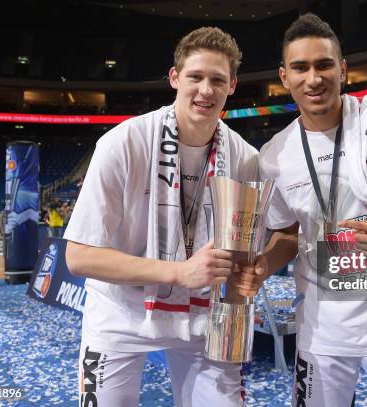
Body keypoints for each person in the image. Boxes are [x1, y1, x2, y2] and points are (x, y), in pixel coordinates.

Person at [238, 14, 367, 406]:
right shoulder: (274, 156)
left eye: (323, 64)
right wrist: (263, 265)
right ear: (284, 77)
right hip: (322, 332)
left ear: (343, 69)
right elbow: (285, 232)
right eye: (300, 68)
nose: (313, 78)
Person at [64, 27, 258, 406]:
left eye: (218, 79)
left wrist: (247, 279)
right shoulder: (123, 143)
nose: (206, 90)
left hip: (205, 318)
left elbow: (241, 256)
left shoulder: (245, 158)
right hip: (121, 315)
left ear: (232, 85)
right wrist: (177, 272)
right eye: (195, 77)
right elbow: (78, 257)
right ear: (174, 78)